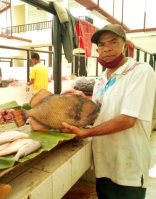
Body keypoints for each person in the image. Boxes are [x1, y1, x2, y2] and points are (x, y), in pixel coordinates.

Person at [60, 24, 156, 199]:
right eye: (102, 44)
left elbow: (128, 120)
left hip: (129, 170)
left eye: (113, 42)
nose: (107, 48)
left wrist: (83, 132)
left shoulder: (140, 71)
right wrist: (81, 99)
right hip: (104, 166)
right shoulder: (102, 79)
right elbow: (96, 113)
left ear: (125, 45)